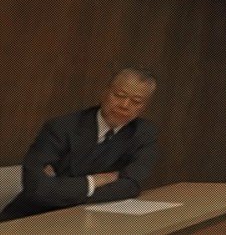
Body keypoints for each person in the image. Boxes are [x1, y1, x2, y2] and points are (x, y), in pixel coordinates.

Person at [0, 68, 158, 221]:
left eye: (136, 101)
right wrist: (94, 181)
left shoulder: (143, 133)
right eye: (119, 95)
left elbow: (131, 186)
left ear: (143, 107)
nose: (124, 105)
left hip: (86, 218)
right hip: (31, 217)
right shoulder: (61, 127)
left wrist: (61, 188)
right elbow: (37, 188)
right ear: (105, 93)